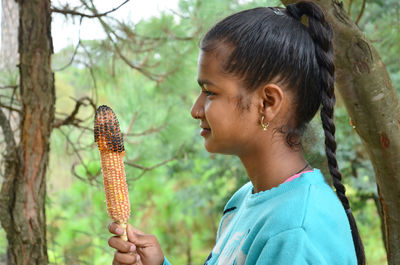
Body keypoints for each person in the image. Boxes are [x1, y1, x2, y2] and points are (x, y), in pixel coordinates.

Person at [107, 1, 366, 264]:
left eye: (210, 92)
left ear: (268, 103)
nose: (195, 109)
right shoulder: (244, 200)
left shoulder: (296, 230)